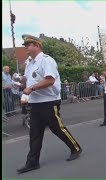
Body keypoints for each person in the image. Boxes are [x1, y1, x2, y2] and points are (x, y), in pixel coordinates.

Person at [17, 34, 82, 174]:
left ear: (37, 46)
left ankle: (75, 148)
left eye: (28, 45)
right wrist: (21, 81)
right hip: (35, 102)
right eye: (25, 45)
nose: (26, 47)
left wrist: (32, 88)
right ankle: (32, 162)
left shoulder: (47, 60)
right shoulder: (30, 63)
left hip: (49, 101)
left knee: (57, 128)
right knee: (34, 132)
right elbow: (27, 80)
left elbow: (50, 80)